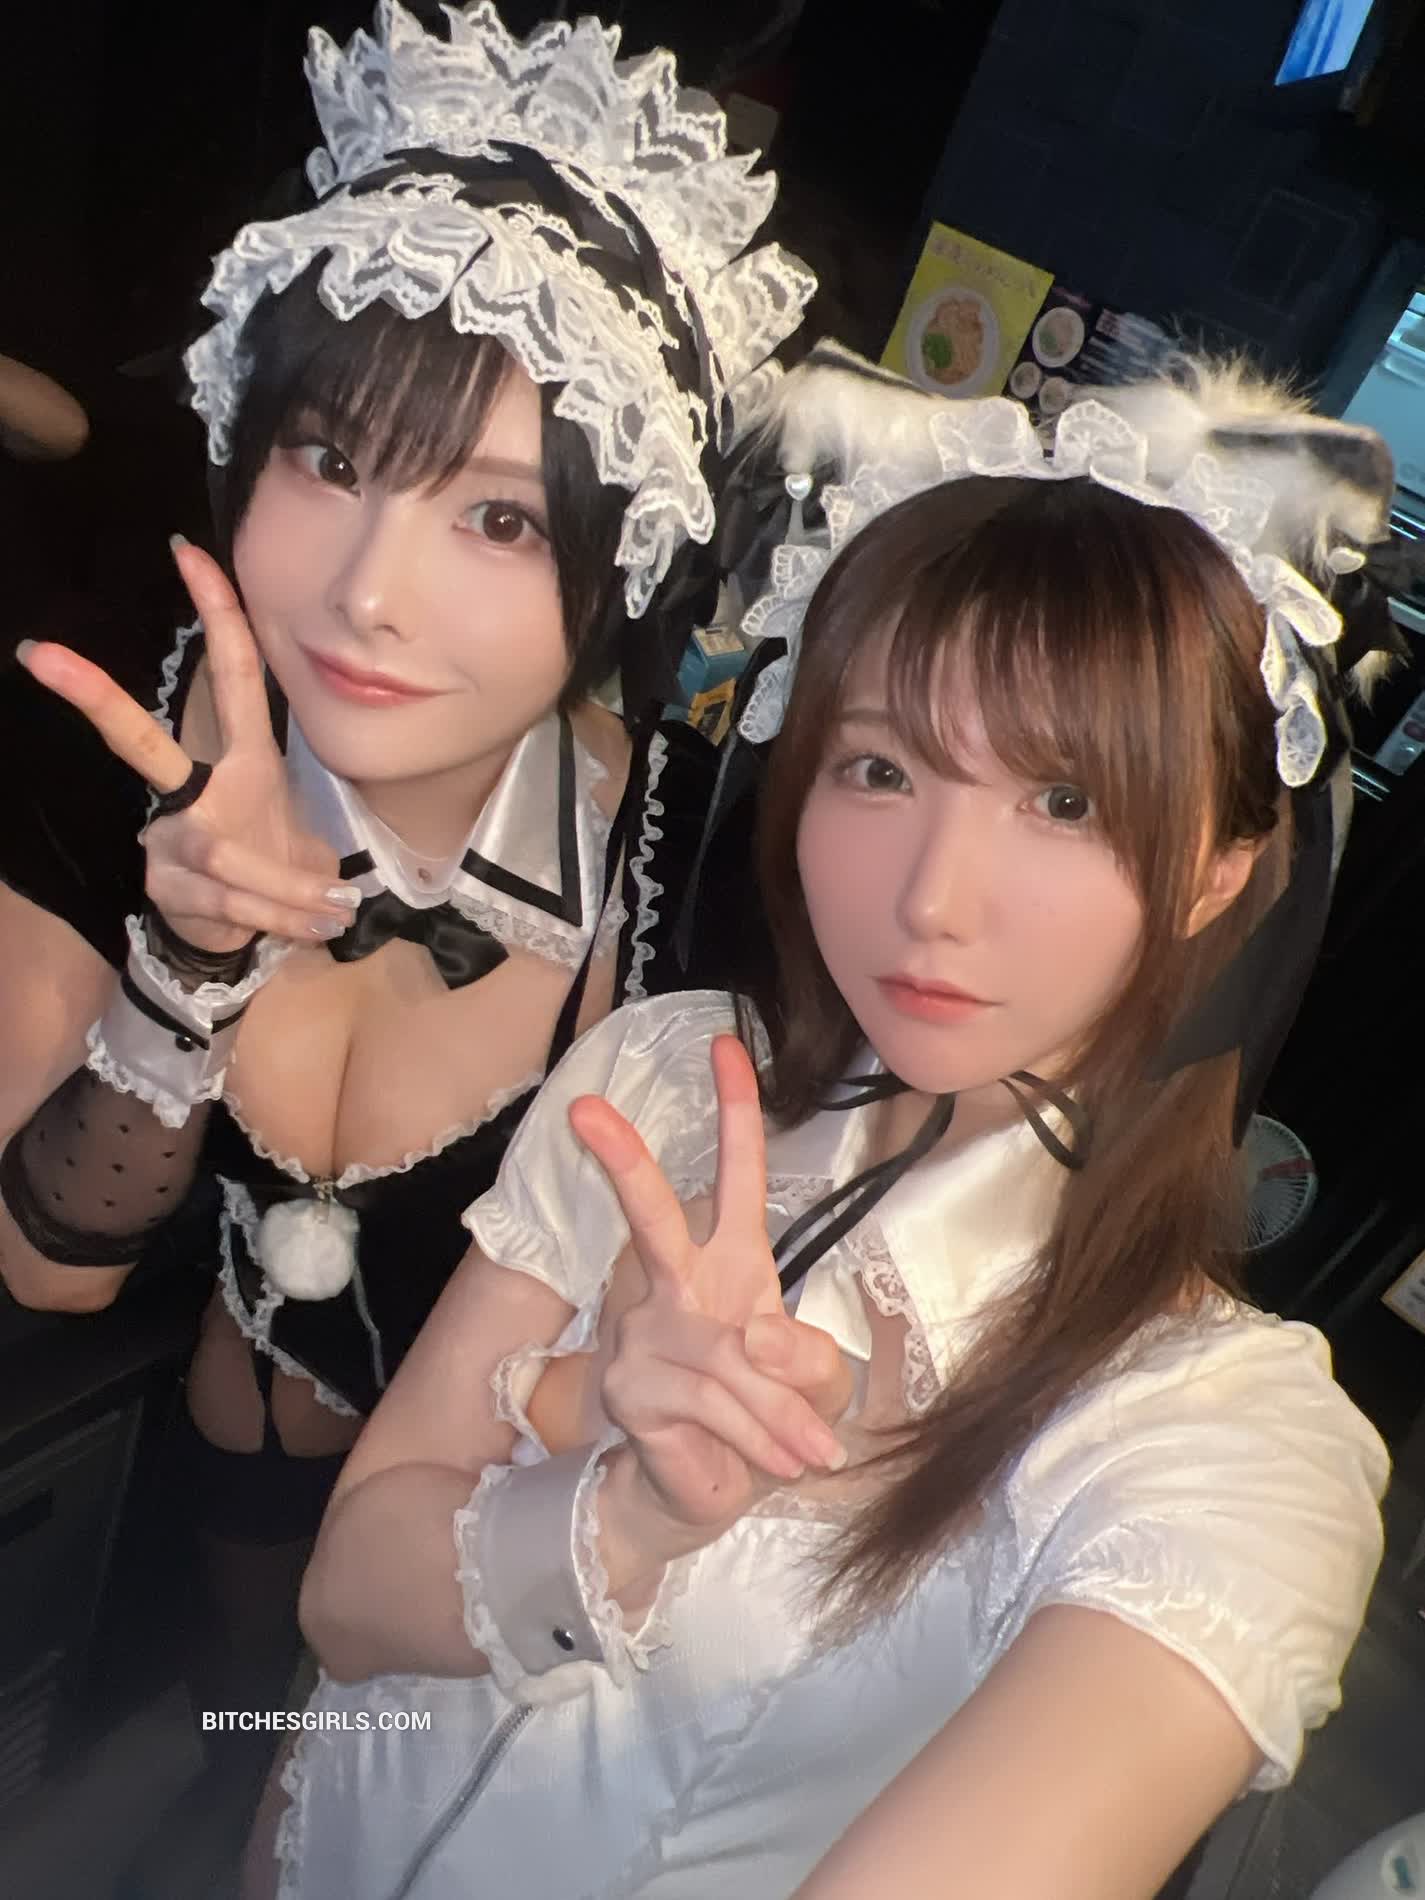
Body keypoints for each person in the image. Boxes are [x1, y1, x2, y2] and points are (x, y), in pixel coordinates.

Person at [272, 350, 1394, 1900]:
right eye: (878, 768)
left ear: (1217, 868)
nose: (931, 899)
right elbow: (340, 1606)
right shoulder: (663, 1076)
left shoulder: (1215, 1438)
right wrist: (623, 1511)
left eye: (1064, 802)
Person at [0, 0, 810, 1873]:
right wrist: (184, 968)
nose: (369, 592)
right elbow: (45, 1269)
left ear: (623, 562)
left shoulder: (696, 887)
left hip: (449, 1603)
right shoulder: (114, 734)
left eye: (501, 521)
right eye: (328, 458)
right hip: (161, 1480)